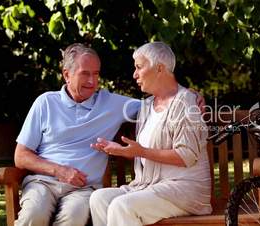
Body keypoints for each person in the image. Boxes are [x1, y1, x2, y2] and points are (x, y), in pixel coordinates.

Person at [13, 43, 204, 226]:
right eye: (85, 74)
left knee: (74, 218)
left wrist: (190, 94)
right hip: (43, 182)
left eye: (96, 74)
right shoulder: (45, 103)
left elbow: (166, 100)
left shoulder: (112, 104)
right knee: (33, 215)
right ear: (67, 75)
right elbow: (20, 156)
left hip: (83, 189)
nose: (92, 81)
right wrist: (59, 170)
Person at [89, 41, 212, 226]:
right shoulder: (146, 106)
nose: (134, 74)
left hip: (185, 189)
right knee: (99, 199)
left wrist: (140, 152)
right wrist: (123, 150)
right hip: (150, 185)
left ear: (160, 68)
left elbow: (186, 156)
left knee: (122, 206)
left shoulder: (185, 103)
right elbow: (140, 150)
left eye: (139, 67)